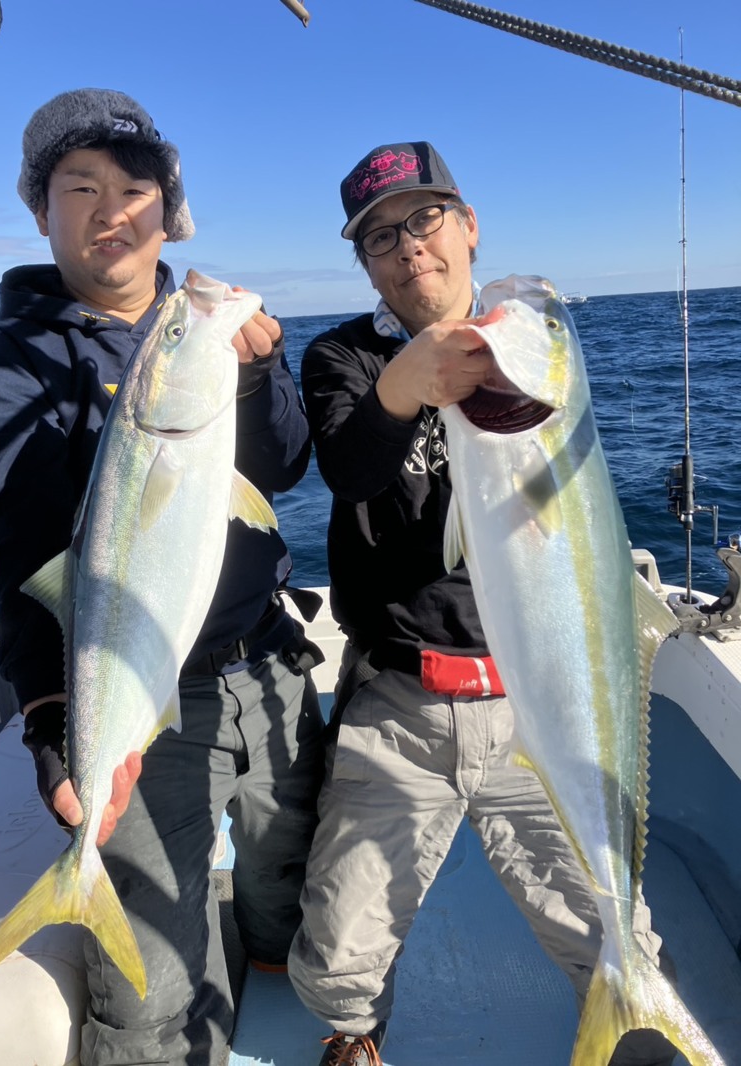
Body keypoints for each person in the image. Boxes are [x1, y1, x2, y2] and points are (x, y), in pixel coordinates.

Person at [0, 88, 325, 1066]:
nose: (111, 207)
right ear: (42, 213)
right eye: (80, 186)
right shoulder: (11, 365)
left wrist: (253, 374)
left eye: (134, 186)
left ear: (170, 208)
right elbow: (22, 552)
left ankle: (272, 982)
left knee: (286, 873)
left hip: (274, 665)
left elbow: (279, 468)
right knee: (147, 986)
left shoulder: (196, 333)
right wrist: (48, 719)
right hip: (146, 700)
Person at [287, 141, 678, 1066]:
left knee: (619, 943)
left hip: (536, 702)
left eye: (425, 218)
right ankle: (355, 1032)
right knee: (337, 961)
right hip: (398, 703)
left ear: (467, 227)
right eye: (380, 236)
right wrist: (401, 388)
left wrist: (506, 357)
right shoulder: (342, 356)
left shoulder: (519, 348)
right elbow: (347, 466)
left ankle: (637, 1021)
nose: (408, 246)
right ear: (366, 264)